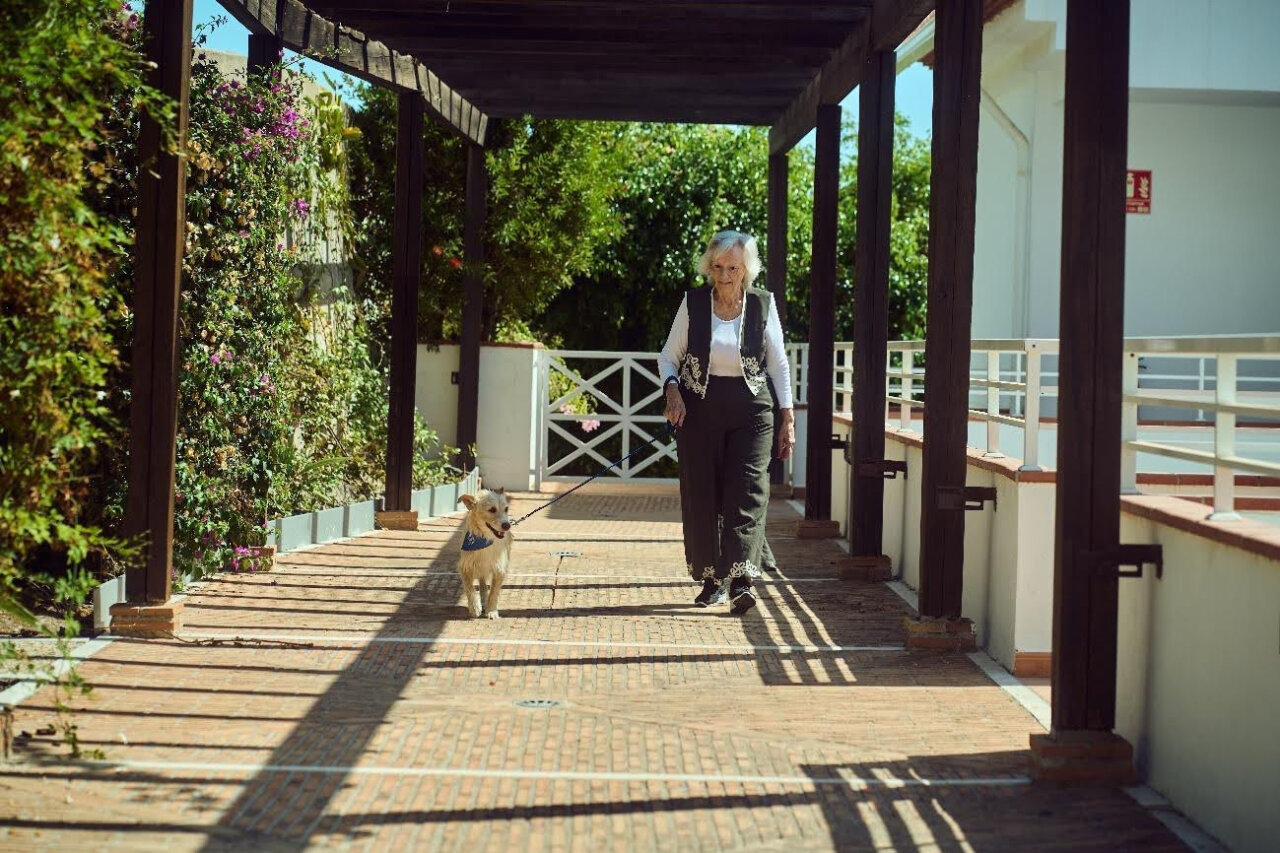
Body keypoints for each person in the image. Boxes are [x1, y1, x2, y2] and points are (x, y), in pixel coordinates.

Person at [658, 230, 795, 615]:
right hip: (699, 408)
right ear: (709, 267)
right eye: (717, 267)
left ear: (746, 269)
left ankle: (741, 581)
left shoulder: (763, 304)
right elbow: (668, 357)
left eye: (732, 268)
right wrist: (672, 391)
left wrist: (787, 417)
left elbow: (779, 365)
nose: (724, 275)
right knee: (703, 494)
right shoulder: (693, 303)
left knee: (747, 490)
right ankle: (712, 579)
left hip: (752, 410)